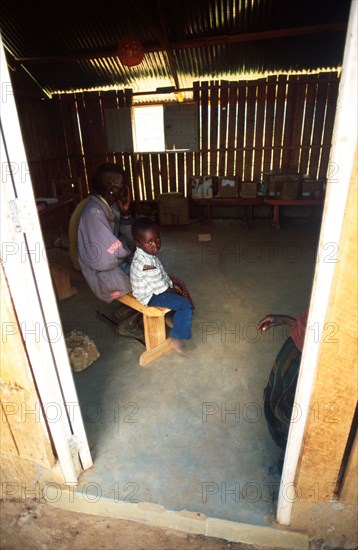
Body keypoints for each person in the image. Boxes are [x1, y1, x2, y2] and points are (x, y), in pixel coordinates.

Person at [77, 163, 142, 337]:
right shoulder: (93, 214)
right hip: (101, 273)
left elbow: (127, 237)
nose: (126, 187)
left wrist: (126, 213)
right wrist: (131, 252)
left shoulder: (109, 206)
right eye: (123, 184)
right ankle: (127, 325)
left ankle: (125, 311)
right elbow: (104, 258)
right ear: (112, 189)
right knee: (149, 286)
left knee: (150, 270)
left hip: (112, 264)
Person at [130, 217, 194, 355]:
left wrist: (172, 286)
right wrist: (175, 292)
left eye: (157, 239)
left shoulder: (147, 254)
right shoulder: (146, 265)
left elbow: (161, 278)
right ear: (138, 244)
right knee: (184, 304)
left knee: (177, 285)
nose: (156, 244)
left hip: (154, 288)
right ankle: (175, 336)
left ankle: (170, 318)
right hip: (151, 296)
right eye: (150, 242)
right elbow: (162, 290)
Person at [257, 309, 309, 477]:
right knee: (274, 399)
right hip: (297, 343)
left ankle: (287, 469)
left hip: (310, 358)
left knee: (292, 416)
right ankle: (286, 461)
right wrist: (292, 322)